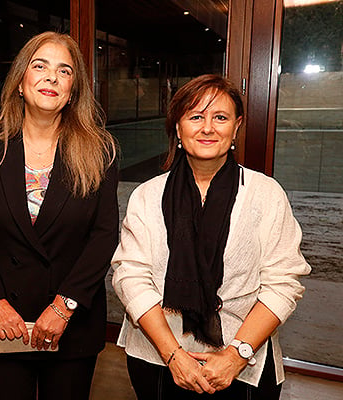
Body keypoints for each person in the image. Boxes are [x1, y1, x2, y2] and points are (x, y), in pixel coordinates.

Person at [111, 74, 311, 399]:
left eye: (220, 117)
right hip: (157, 356)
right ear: (178, 128)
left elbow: (283, 283)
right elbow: (130, 276)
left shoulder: (266, 194)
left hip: (244, 362)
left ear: (236, 127)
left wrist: (235, 355)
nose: (208, 128)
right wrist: (173, 355)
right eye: (195, 117)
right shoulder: (147, 195)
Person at [0, 31, 118, 400]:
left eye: (64, 71)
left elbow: (104, 234)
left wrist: (63, 307)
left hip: (71, 323)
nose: (51, 77)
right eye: (40, 66)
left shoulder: (99, 151)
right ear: (20, 82)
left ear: (72, 90)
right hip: (5, 321)